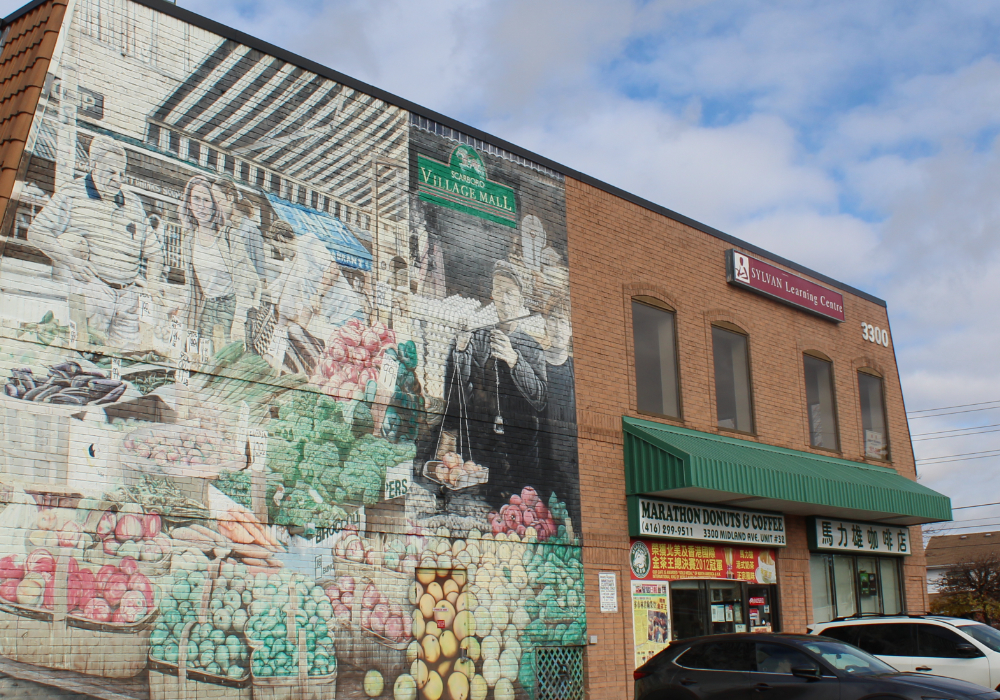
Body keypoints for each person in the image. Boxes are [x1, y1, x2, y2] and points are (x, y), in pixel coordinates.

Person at [28, 135, 164, 348]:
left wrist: (152, 286)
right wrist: (72, 262)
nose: (118, 179)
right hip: (93, 291)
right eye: (111, 172)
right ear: (93, 164)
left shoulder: (133, 203)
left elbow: (155, 252)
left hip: (129, 297)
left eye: (122, 174)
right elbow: (36, 232)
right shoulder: (71, 193)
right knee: (88, 353)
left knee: (127, 357)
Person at [437, 261, 547, 503]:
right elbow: (461, 393)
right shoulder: (479, 338)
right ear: (492, 296)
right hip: (483, 449)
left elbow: (540, 398)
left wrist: (514, 360)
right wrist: (462, 351)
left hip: (520, 453)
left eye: (510, 293)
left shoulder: (532, 347)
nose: (505, 299)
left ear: (520, 298)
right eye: (499, 291)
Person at [179, 175, 257, 347]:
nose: (201, 205)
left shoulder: (229, 236)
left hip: (230, 307)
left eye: (206, 200)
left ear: (214, 205)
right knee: (207, 357)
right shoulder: (189, 239)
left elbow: (243, 280)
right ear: (189, 204)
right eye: (196, 199)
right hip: (206, 307)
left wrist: (239, 318)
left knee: (227, 358)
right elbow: (191, 284)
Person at [260, 220, 364, 343]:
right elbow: (307, 303)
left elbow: (332, 269)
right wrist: (297, 333)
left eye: (278, 248)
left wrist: (318, 295)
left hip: (347, 312)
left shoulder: (307, 242)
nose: (280, 253)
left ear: (281, 238)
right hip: (333, 321)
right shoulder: (291, 263)